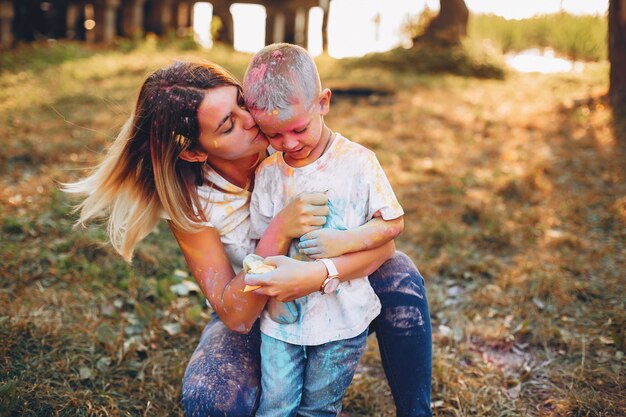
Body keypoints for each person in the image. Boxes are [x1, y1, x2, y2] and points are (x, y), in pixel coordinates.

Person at [63, 59, 432, 417]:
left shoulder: (288, 138)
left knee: (399, 273)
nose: (252, 122)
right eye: (228, 126)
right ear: (194, 151)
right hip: (258, 314)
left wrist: (317, 276)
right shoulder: (192, 204)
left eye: (242, 103)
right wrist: (278, 229)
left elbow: (385, 243)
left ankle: (416, 411)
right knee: (213, 401)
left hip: (335, 289)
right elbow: (236, 315)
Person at [241, 42, 406, 416]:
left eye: (298, 129)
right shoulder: (269, 174)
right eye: (274, 135)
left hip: (341, 320)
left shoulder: (358, 163)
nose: (289, 144)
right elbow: (260, 243)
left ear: (323, 102)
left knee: (319, 407)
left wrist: (344, 241)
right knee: (275, 406)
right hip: (280, 324)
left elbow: (393, 221)